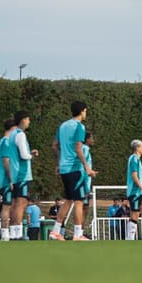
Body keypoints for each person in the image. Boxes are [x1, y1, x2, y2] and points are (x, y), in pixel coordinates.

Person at [51, 101, 94, 241]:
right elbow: (78, 148)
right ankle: (77, 234)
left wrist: (58, 163)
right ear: (82, 111)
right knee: (79, 201)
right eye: (85, 111)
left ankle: (56, 231)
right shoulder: (79, 127)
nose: (85, 113)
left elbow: (55, 146)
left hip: (64, 169)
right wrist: (87, 167)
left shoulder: (62, 126)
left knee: (69, 200)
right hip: (74, 169)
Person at [7, 111, 37, 242]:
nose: (29, 122)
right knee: (21, 203)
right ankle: (18, 234)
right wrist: (32, 155)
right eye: (28, 119)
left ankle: (13, 232)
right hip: (23, 174)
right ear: (23, 120)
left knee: (14, 204)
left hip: (14, 174)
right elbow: (24, 155)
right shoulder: (20, 135)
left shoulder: (12, 135)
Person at [125, 139, 142, 241]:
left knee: (135, 213)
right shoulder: (134, 159)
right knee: (135, 213)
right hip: (135, 191)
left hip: (136, 191)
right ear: (137, 148)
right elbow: (134, 176)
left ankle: (129, 237)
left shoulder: (135, 159)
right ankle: (130, 238)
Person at [0, 117, 16, 240]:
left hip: (8, 179)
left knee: (12, 205)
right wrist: (11, 179)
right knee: (7, 206)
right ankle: (5, 233)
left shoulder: (5, 141)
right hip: (7, 180)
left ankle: (11, 232)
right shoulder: (6, 141)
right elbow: (6, 162)